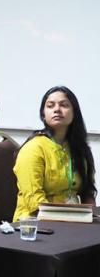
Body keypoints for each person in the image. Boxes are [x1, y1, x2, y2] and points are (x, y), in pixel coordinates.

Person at [13, 86, 96, 220]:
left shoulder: (79, 148)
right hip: (35, 224)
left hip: (72, 220)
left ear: (75, 112)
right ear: (43, 114)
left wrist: (89, 218)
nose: (57, 109)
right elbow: (35, 203)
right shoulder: (33, 148)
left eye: (64, 105)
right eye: (50, 106)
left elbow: (88, 192)